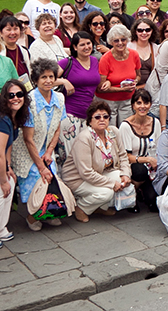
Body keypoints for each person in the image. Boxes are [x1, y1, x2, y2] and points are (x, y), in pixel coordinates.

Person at [14, 59, 66, 230]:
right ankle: (31, 216)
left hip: (47, 148)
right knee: (37, 176)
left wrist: (50, 152)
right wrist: (41, 166)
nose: (48, 80)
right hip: (27, 149)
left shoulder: (59, 97)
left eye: (51, 76)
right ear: (36, 80)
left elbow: (57, 128)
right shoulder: (29, 101)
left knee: (53, 176)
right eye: (43, 77)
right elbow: (28, 139)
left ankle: (47, 212)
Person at [60, 99, 131, 221]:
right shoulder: (85, 138)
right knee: (106, 193)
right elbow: (86, 172)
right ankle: (81, 207)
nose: (102, 119)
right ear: (90, 120)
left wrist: (126, 174)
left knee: (124, 182)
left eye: (105, 116)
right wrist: (111, 183)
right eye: (97, 117)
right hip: (78, 178)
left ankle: (97, 207)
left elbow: (123, 156)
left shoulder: (113, 132)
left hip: (100, 172)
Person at [57, 31, 102, 159]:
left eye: (89, 43)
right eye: (82, 44)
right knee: (71, 154)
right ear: (75, 47)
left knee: (86, 153)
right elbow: (44, 80)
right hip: (70, 115)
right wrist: (64, 81)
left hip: (89, 116)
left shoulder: (94, 61)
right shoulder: (67, 62)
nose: (86, 47)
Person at [118, 89, 161, 212]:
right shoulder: (126, 126)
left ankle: (145, 192)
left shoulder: (155, 123)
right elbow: (125, 156)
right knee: (140, 170)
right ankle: (132, 194)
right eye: (139, 103)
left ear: (150, 105)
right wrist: (146, 159)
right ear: (133, 105)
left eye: (146, 103)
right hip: (134, 165)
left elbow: (159, 148)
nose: (142, 106)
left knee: (153, 201)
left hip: (152, 166)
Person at [0, 80, 28, 245]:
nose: (15, 98)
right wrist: (3, 179)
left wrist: (9, 168)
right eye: (11, 95)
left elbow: (8, 146)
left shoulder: (14, 118)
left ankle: (1, 229)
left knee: (10, 182)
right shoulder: (3, 119)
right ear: (5, 98)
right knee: (4, 188)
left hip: (3, 161)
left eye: (19, 94)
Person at [97, 25, 141, 126]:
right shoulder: (105, 59)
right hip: (108, 102)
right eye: (116, 41)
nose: (120, 43)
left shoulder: (134, 54)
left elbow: (138, 75)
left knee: (125, 128)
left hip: (127, 101)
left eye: (123, 40)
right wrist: (123, 89)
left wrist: (135, 82)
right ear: (111, 42)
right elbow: (100, 87)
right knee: (110, 130)